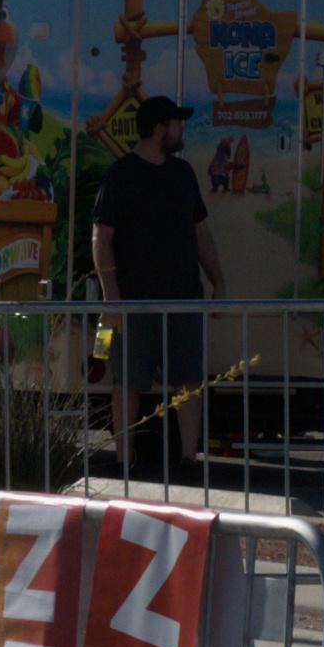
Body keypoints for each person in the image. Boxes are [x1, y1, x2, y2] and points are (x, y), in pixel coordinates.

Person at [90, 94, 223, 473]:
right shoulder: (121, 175)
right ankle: (123, 460)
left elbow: (201, 233)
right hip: (133, 301)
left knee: (189, 380)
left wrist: (219, 281)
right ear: (160, 129)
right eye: (177, 123)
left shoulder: (183, 174)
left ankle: (189, 460)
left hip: (185, 298)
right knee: (127, 381)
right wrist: (112, 298)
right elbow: (101, 238)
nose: (182, 130)